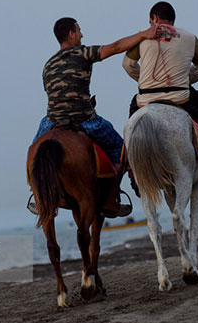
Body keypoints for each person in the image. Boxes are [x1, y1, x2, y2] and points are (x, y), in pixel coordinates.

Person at [32, 17, 157, 217]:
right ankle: (111, 198)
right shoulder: (83, 53)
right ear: (71, 34)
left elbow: (51, 92)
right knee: (121, 149)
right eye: (79, 31)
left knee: (36, 152)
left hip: (52, 120)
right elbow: (115, 47)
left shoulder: (48, 64)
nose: (82, 35)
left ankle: (36, 194)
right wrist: (143, 35)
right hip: (83, 119)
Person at [122, 1, 198, 184]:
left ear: (154, 19)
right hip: (181, 98)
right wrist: (183, 80)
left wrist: (145, 80)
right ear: (173, 20)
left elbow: (128, 65)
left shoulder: (142, 37)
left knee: (132, 123)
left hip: (146, 99)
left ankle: (130, 166)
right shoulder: (190, 37)